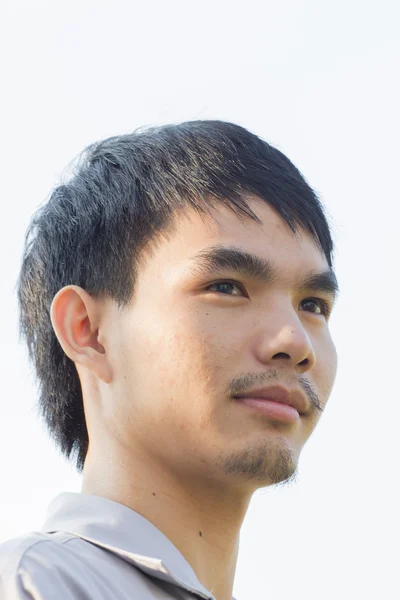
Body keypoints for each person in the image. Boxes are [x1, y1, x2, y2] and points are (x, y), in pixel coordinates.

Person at [0, 120, 338, 600]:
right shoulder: (36, 583)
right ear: (88, 330)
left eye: (313, 305)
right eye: (226, 287)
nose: (295, 341)